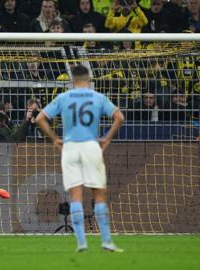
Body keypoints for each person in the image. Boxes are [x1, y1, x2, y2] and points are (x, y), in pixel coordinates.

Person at [36, 64, 125, 252]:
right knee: (99, 195)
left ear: (72, 80)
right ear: (89, 79)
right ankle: (106, 241)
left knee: (75, 195)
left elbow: (39, 119)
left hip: (70, 148)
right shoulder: (98, 97)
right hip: (91, 145)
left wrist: (55, 139)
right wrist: (107, 139)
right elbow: (119, 117)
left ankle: (81, 242)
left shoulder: (63, 97)